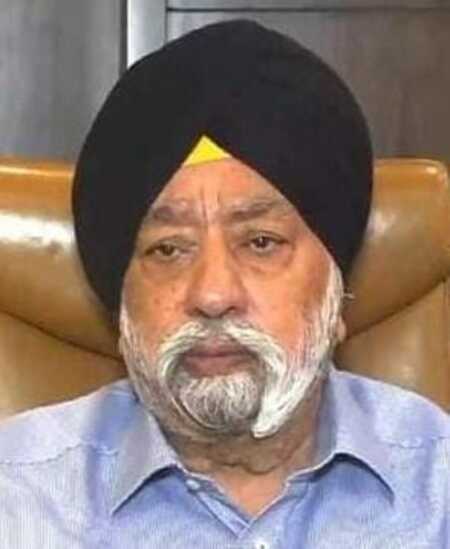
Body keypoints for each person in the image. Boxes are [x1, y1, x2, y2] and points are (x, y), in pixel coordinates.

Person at [0, 20, 448, 548]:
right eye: (168, 250)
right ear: (121, 308)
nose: (213, 295)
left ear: (335, 293)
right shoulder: (18, 498)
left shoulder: (436, 492)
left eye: (260, 242)